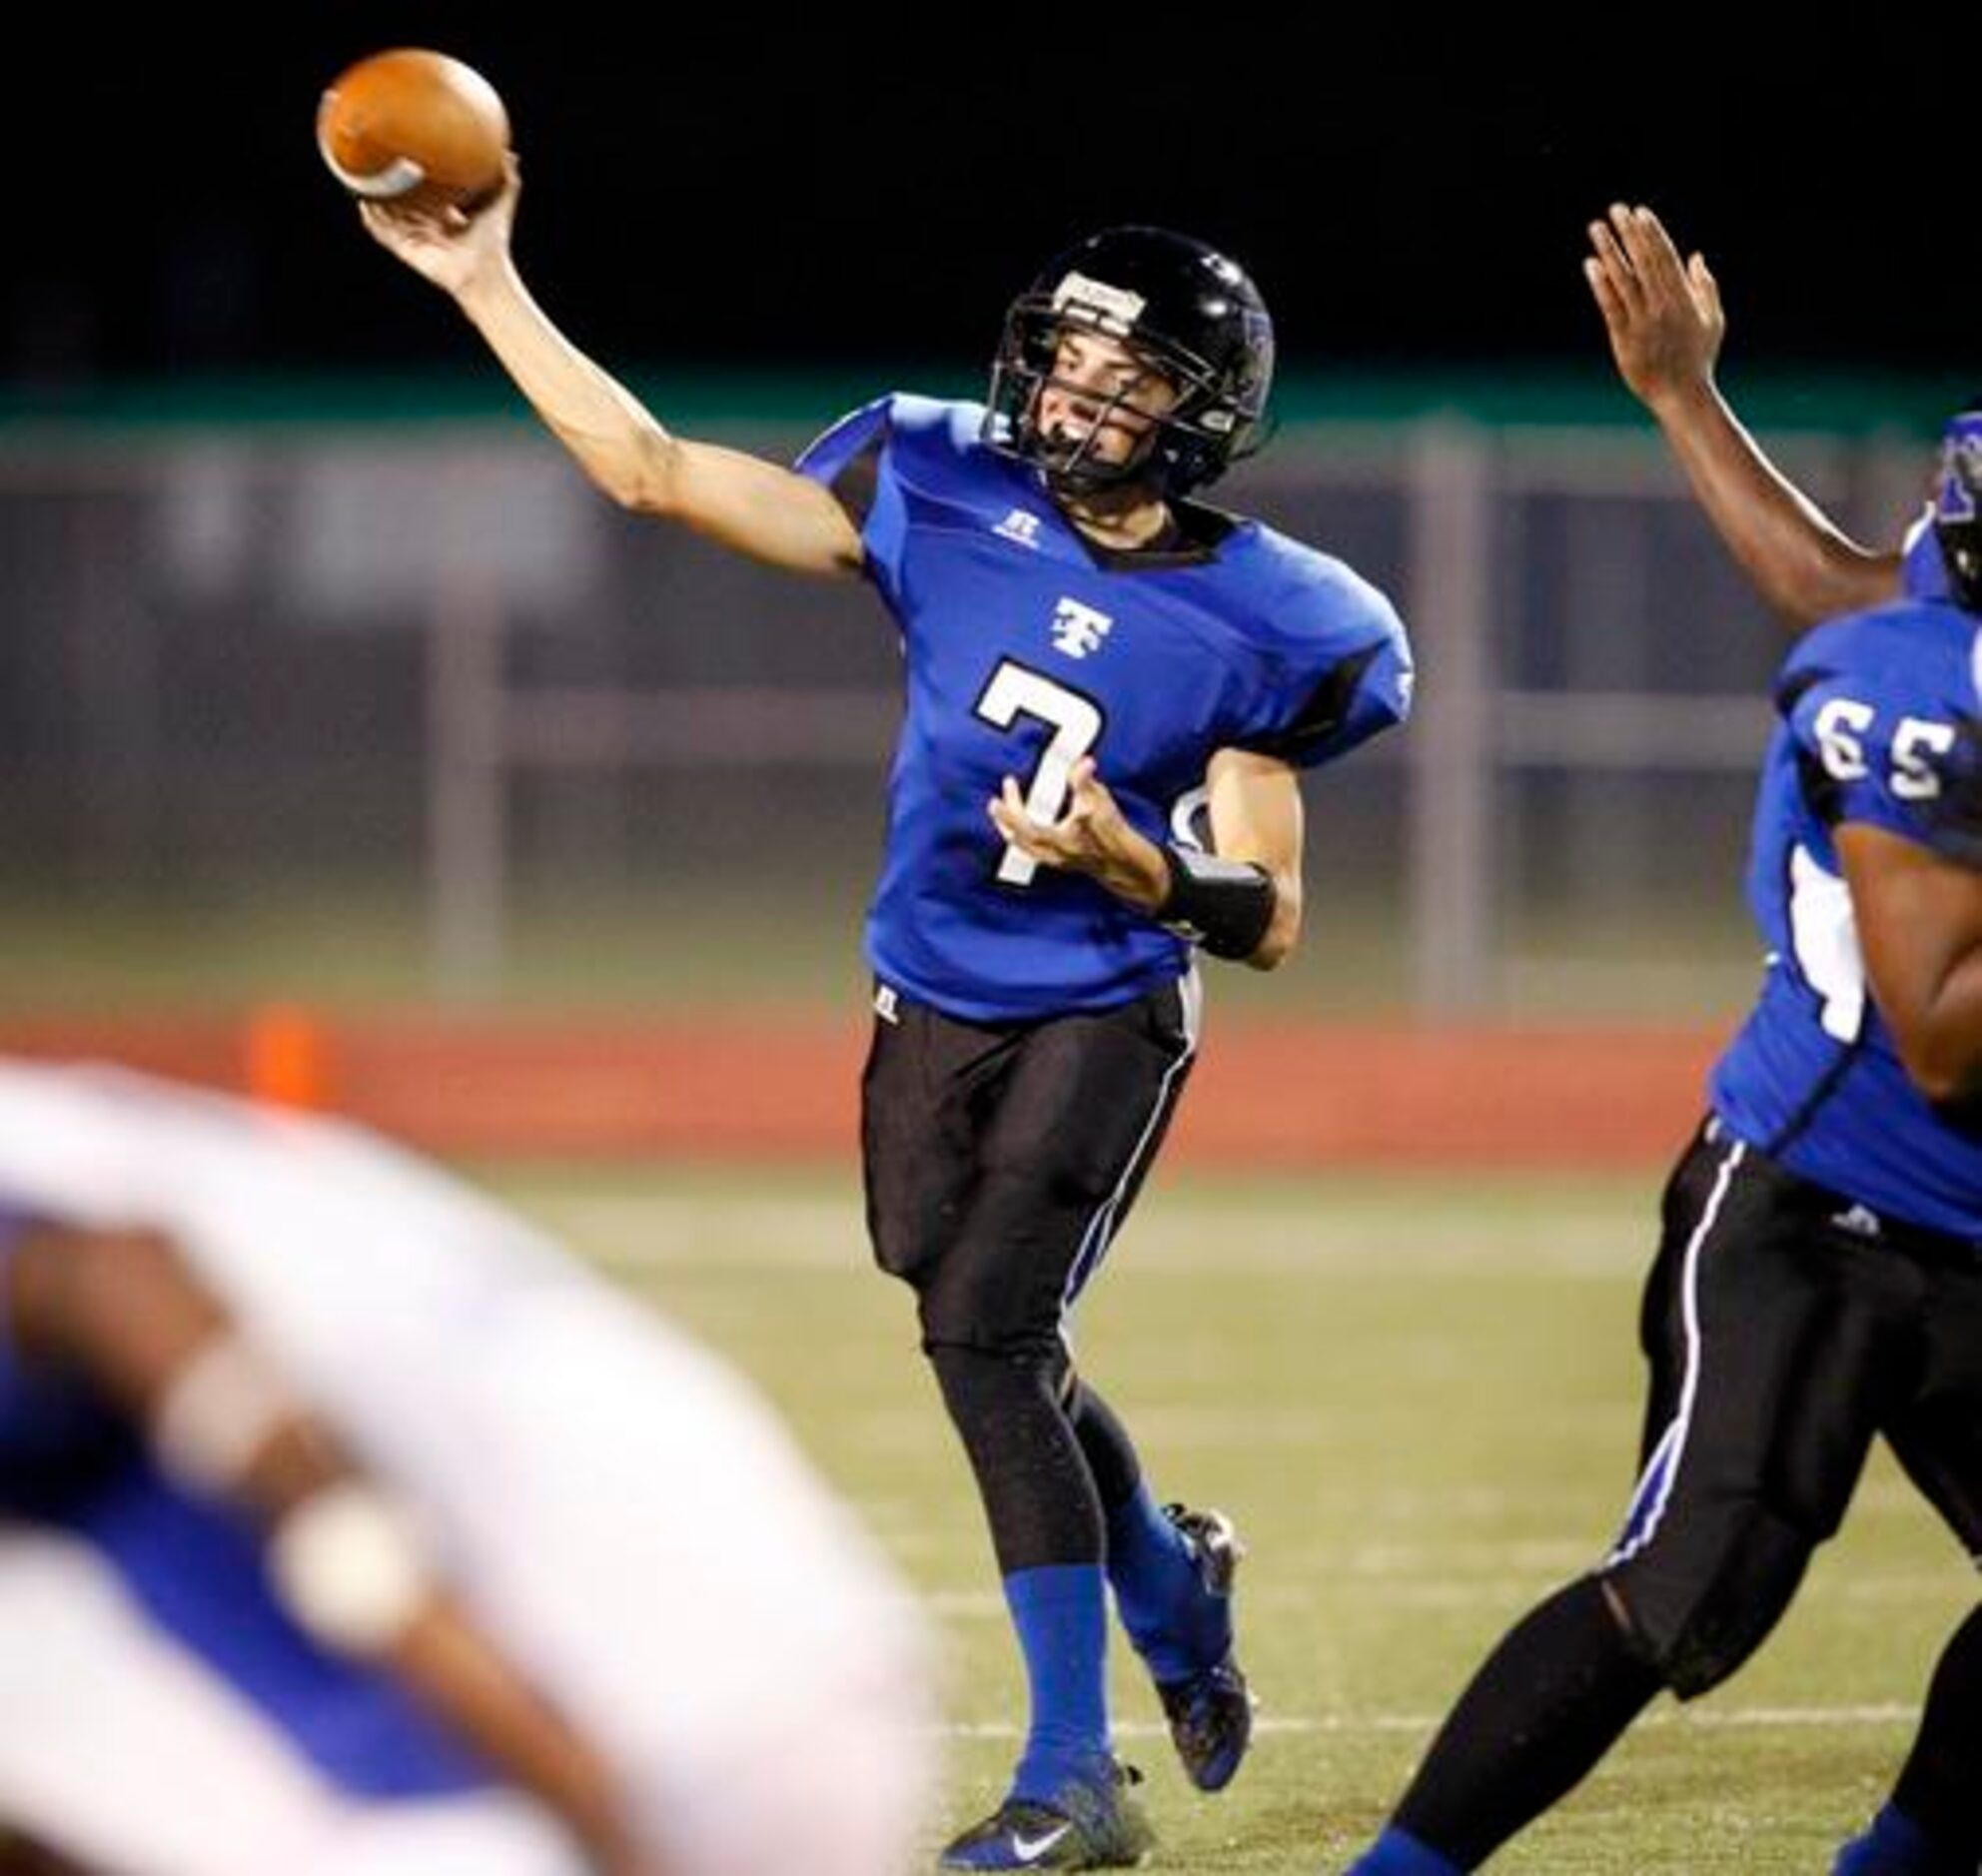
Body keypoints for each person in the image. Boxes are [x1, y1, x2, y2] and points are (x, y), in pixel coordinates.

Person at [354, 169, 1413, 1870]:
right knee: (965, 1305)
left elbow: (1267, 913)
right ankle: (1166, 1576)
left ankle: (1073, 1774)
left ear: (1193, 414)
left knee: (984, 1331)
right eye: (1062, 354)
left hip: (1100, 1007)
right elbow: (644, 470)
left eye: (1118, 374)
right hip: (926, 982)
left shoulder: (1283, 618)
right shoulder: (929, 470)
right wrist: (486, 281)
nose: (1069, 392)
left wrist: (1140, 864)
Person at [1340, 205, 1982, 1874]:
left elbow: (1834, 577)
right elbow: (1940, 1036)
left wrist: (1687, 403)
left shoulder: (1924, 624)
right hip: (1819, 1205)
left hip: (1968, 1225)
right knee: (1685, 1599)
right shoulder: (1911, 695)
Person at [0, 1056, 933, 1876]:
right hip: (785, 1613)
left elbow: (111, 1285)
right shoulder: (95, 1134)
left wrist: (582, 1799)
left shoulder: (73, 1224)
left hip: (624, 1715)